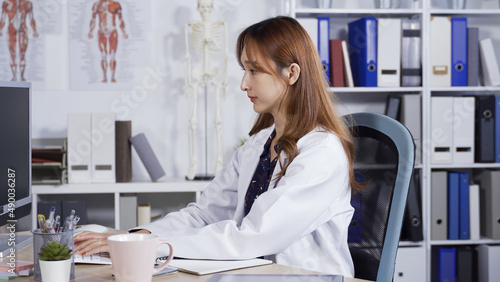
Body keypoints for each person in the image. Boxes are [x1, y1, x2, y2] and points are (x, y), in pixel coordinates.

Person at [75, 16, 359, 277]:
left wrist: (150, 245)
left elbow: (253, 236)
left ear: (291, 73)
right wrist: (138, 236)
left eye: (254, 70)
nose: (243, 84)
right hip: (252, 273)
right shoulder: (259, 145)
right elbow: (203, 214)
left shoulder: (322, 154)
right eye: (244, 70)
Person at [88, 0, 128, 83]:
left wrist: (123, 32)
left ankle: (113, 77)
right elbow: (93, 19)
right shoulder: (96, 4)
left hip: (113, 31)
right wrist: (90, 31)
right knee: (103, 55)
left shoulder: (116, 4)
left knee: (112, 55)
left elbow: (120, 19)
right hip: (101, 32)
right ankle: (104, 77)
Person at [0, 0, 38, 81]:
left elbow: (31, 18)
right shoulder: (6, 3)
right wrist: (0, 29)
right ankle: (14, 77)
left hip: (22, 30)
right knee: (12, 53)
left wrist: (34, 30)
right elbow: (2, 18)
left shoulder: (27, 3)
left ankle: (21, 77)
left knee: (22, 53)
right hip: (11, 30)